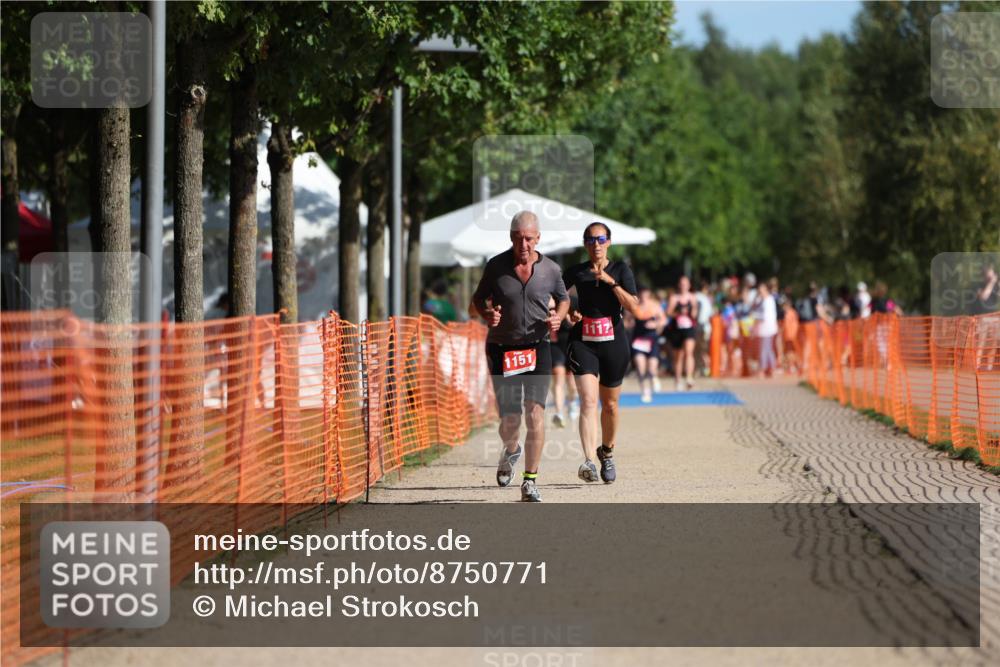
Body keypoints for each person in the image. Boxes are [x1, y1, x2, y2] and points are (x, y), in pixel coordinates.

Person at [469, 211, 569, 502]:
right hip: (503, 349)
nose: (523, 244)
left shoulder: (551, 269)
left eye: (528, 238)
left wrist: (558, 318)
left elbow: (563, 299)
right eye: (517, 238)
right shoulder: (496, 266)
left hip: (538, 347)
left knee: (536, 414)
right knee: (510, 421)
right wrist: (487, 313)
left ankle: (530, 481)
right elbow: (477, 300)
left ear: (538, 238)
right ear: (510, 237)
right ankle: (511, 450)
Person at [562, 222, 639, 484]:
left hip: (613, 343)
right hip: (584, 342)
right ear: (585, 244)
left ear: (609, 242)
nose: (596, 244)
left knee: (611, 405)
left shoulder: (621, 270)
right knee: (587, 400)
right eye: (591, 240)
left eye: (601, 239)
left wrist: (612, 283)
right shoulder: (576, 272)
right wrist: (570, 311)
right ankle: (588, 462)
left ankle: (606, 452)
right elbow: (558, 296)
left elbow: (635, 307)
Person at [630, 287, 667, 403]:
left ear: (649, 294)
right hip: (638, 341)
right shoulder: (634, 306)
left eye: (646, 293)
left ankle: (654, 378)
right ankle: (645, 391)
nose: (643, 296)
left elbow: (664, 320)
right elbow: (627, 320)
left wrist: (655, 324)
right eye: (641, 293)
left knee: (652, 368)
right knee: (641, 368)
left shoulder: (655, 306)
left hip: (651, 340)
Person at [549, 294, 579, 428]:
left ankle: (572, 402)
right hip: (555, 346)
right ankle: (559, 413)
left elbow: (579, 321)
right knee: (558, 378)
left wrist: (570, 317)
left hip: (571, 345)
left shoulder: (573, 301)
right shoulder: (548, 300)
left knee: (572, 385)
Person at [667, 275, 699, 390]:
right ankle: (678, 379)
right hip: (676, 329)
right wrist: (678, 312)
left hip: (689, 328)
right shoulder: (674, 298)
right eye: (682, 284)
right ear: (679, 285)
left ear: (689, 285)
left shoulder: (692, 298)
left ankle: (689, 377)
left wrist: (690, 312)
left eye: (686, 284)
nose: (683, 286)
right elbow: (668, 313)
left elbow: (695, 314)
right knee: (678, 356)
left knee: (689, 352)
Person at [753, 282, 779, 378]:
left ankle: (763, 369)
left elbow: (765, 316)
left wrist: (755, 317)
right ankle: (771, 368)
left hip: (767, 328)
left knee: (765, 349)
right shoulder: (763, 300)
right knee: (768, 349)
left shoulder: (768, 300)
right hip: (765, 328)